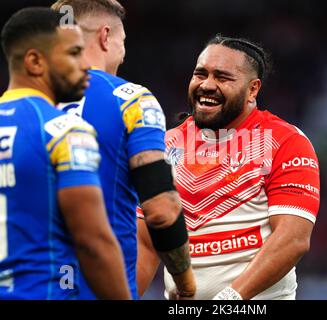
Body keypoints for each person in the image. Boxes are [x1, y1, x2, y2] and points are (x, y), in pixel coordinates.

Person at [137, 35, 321, 300]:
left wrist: (229, 300)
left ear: (252, 90)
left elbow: (293, 240)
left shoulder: (286, 141)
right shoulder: (166, 145)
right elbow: (146, 244)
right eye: (200, 74)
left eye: (222, 78)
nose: (207, 85)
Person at [50, 0, 195, 300]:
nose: (123, 53)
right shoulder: (130, 100)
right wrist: (185, 284)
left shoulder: (10, 108)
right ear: (105, 36)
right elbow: (161, 211)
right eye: (122, 42)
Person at [0, 7, 130, 299]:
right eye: (73, 54)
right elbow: (93, 242)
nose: (84, 65)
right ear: (35, 62)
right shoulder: (64, 131)